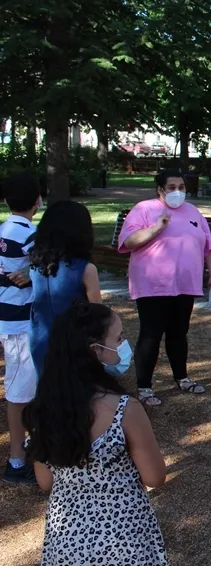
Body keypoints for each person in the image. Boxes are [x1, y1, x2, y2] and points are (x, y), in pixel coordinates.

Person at [23, 302, 168, 565]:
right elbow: (155, 477)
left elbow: (46, 482)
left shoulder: (42, 409)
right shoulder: (125, 409)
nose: (124, 344)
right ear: (95, 351)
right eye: (119, 338)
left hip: (66, 538)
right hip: (123, 537)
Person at [117, 168, 211, 406]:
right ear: (160, 190)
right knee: (151, 335)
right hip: (153, 284)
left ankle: (182, 378)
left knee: (178, 333)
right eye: (172, 188)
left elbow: (209, 246)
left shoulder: (193, 211)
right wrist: (156, 228)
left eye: (181, 187)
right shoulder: (144, 209)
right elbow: (128, 241)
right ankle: (144, 387)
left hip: (185, 284)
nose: (178, 192)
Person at [29, 200, 102, 377]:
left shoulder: (36, 265)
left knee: (47, 389)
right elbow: (98, 312)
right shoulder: (85, 269)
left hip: (40, 338)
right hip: (75, 342)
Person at [0, 172, 41, 484]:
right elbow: (51, 264)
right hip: (20, 323)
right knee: (19, 391)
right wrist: (33, 270)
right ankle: (16, 462)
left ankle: (26, 446)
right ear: (37, 201)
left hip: (10, 319)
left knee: (25, 386)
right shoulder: (30, 234)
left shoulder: (4, 231)